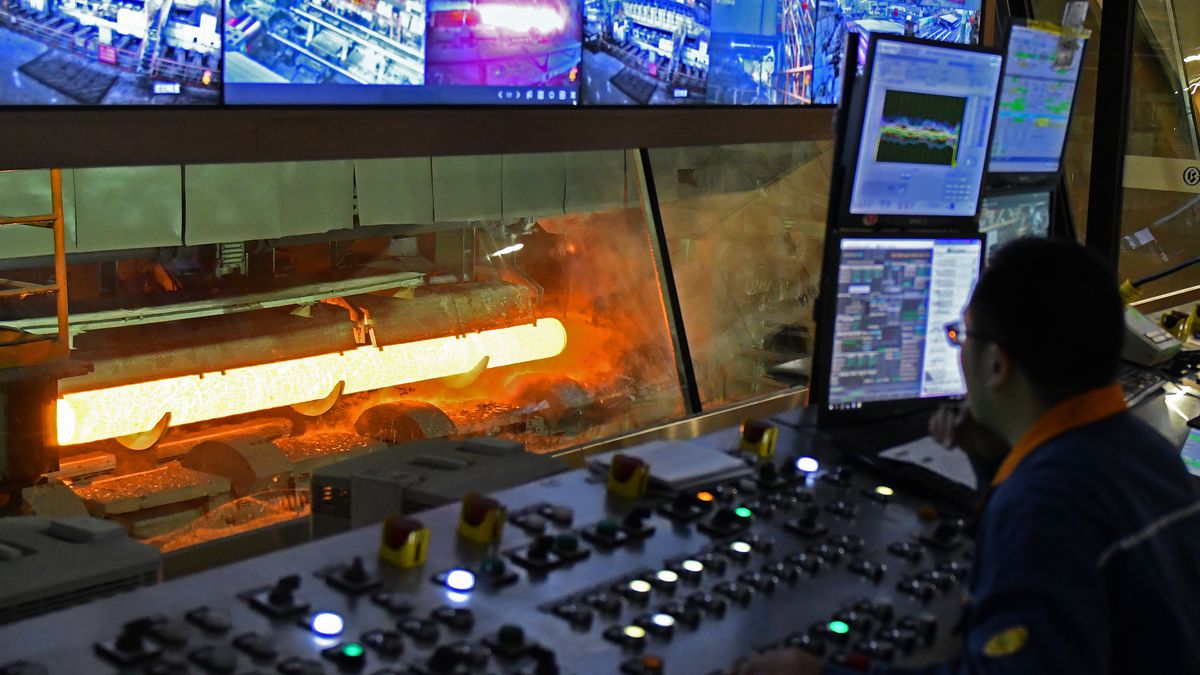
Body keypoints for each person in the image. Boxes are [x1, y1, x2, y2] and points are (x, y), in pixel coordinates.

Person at [730, 238, 1200, 674]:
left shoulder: (1042, 510)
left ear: (997, 364)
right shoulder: (1150, 453)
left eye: (961, 337)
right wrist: (995, 463)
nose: (959, 352)